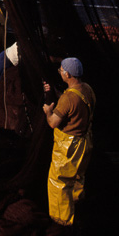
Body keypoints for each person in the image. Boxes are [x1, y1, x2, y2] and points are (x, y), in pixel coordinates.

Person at [43, 57, 95, 227]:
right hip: (85, 142)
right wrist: (58, 94)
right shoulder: (86, 89)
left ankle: (61, 221)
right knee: (78, 177)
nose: (59, 72)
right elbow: (74, 103)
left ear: (67, 74)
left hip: (68, 148)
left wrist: (48, 111)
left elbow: (53, 123)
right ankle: (78, 205)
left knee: (59, 182)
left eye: (60, 70)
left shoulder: (68, 100)